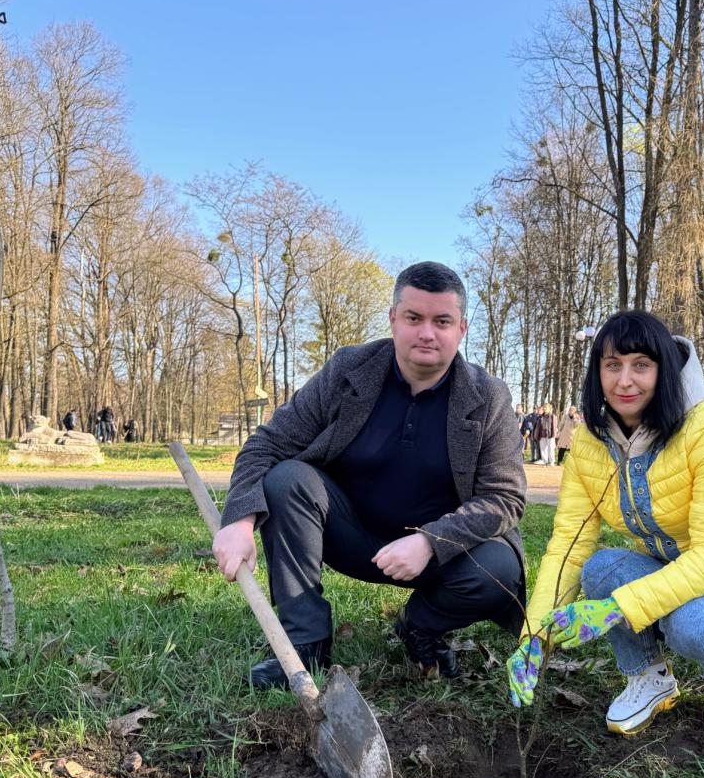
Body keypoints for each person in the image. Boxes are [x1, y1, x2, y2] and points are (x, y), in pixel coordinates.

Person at [213, 261, 527, 687]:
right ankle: (304, 642)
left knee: (501, 567)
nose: (427, 333)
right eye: (413, 318)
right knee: (287, 479)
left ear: (462, 328)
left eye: (442, 321)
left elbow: (504, 498)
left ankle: (420, 626)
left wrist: (430, 541)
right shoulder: (348, 370)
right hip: (349, 534)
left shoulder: (488, 396)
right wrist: (238, 520)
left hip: (438, 557)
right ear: (393, 318)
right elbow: (267, 444)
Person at [508, 310, 704, 735]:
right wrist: (534, 637)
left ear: (663, 370)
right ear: (597, 372)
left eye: (641, 365)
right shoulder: (590, 443)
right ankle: (649, 677)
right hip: (675, 569)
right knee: (601, 569)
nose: (625, 381)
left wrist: (616, 608)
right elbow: (568, 547)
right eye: (613, 365)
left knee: (693, 623)